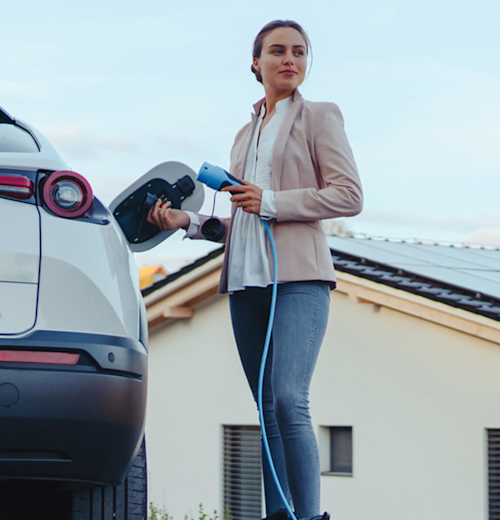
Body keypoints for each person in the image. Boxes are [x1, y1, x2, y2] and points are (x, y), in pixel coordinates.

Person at [146, 19, 362, 520]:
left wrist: (272, 200)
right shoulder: (245, 136)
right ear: (256, 62)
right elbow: (243, 219)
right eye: (278, 51)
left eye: (300, 52)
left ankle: (309, 517)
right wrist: (189, 222)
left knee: (289, 400)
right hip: (246, 281)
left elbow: (348, 196)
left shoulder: (321, 117)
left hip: (300, 279)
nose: (290, 59)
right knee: (265, 413)